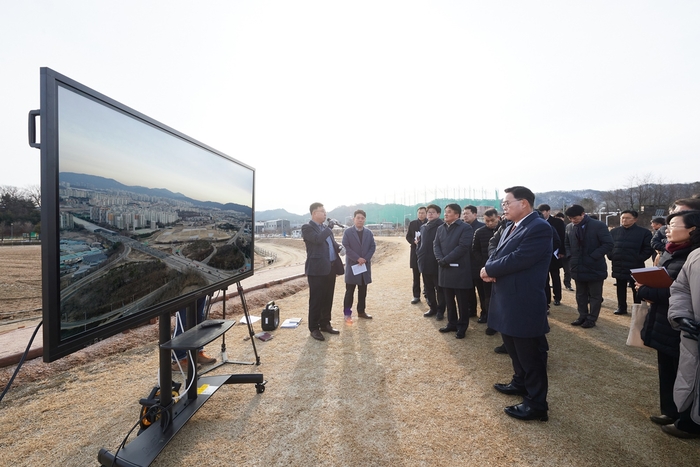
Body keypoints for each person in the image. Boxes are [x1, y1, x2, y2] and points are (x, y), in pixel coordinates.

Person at [481, 186, 552, 421]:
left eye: (507, 203)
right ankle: (520, 382)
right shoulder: (512, 225)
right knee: (513, 346)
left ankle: (536, 404)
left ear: (524, 203)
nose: (504, 207)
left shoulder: (539, 227)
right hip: (507, 296)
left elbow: (521, 257)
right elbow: (497, 251)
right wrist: (490, 267)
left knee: (529, 353)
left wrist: (490, 269)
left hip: (523, 299)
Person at [637, 210, 700, 433]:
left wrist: (646, 289)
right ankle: (670, 411)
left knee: (687, 372)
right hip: (666, 320)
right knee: (667, 369)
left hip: (684, 326)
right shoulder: (670, 251)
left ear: (692, 229)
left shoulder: (693, 256)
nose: (667, 230)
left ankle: (686, 419)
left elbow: (677, 292)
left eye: (673, 224)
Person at [667, 211, 700, 438]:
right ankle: (688, 420)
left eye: (673, 224)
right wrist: (681, 315)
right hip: (692, 331)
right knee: (691, 377)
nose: (667, 229)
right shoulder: (695, 256)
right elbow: (681, 289)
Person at [564, 204, 613, 328]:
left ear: (583, 214)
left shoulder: (598, 225)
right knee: (580, 294)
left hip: (594, 266)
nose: (573, 220)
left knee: (595, 295)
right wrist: (570, 256)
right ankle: (582, 316)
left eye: (575, 218)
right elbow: (567, 244)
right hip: (577, 266)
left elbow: (608, 244)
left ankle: (592, 319)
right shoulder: (569, 227)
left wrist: (593, 256)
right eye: (570, 218)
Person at [302, 202, 344, 341]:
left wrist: (339, 247)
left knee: (328, 298)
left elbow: (331, 244)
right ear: (314, 213)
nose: (325, 214)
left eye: (325, 211)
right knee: (316, 299)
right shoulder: (307, 228)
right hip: (316, 269)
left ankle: (325, 323)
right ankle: (314, 328)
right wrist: (330, 228)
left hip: (330, 268)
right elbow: (318, 240)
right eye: (322, 211)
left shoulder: (325, 228)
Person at [434, 203, 473, 339]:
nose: (446, 214)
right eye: (445, 212)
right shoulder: (440, 228)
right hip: (444, 269)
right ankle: (452, 323)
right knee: (448, 299)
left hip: (459, 270)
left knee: (462, 301)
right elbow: (436, 245)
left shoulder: (465, 228)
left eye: (449, 212)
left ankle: (462, 326)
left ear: (457, 215)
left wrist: (446, 260)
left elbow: (463, 247)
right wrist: (440, 259)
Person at [607, 210, 653, 315]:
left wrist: (639, 258)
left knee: (636, 288)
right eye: (622, 218)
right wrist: (611, 255)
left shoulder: (644, 232)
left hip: (636, 265)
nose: (624, 220)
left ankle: (637, 309)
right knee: (620, 287)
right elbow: (608, 245)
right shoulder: (614, 232)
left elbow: (648, 249)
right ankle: (621, 307)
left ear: (635, 219)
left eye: (627, 218)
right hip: (619, 264)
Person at [342, 209, 376, 322]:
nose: (360, 220)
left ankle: (361, 311)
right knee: (349, 291)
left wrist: (365, 258)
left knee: (363, 291)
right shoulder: (348, 232)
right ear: (354, 219)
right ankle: (347, 314)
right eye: (358, 218)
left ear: (364, 220)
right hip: (353, 266)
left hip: (364, 266)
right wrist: (357, 258)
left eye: (362, 218)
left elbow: (372, 247)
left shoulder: (369, 233)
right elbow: (346, 247)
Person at [472, 208, 499, 334]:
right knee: (485, 296)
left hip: (500, 269)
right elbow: (475, 249)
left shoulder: (504, 231)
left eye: (492, 220)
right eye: (487, 221)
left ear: (497, 218)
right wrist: (484, 263)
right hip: (485, 269)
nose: (489, 223)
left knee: (499, 297)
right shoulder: (479, 232)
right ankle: (488, 318)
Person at [171, 296, 217, 371]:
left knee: (199, 319)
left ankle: (197, 352)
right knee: (183, 323)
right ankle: (179, 359)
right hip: (183, 291)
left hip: (199, 287)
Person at [416, 204, 446, 320]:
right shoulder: (423, 227)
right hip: (424, 261)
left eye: (433, 212)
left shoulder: (442, 226)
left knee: (439, 288)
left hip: (436, 262)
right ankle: (432, 307)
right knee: (428, 288)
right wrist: (419, 252)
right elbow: (420, 243)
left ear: (438, 214)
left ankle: (440, 310)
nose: (430, 214)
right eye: (429, 212)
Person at [537, 204, 566, 307]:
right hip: (542, 256)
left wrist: (561, 251)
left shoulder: (557, 222)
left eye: (543, 212)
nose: (542, 214)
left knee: (555, 276)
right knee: (545, 279)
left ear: (548, 211)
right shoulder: (537, 223)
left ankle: (557, 297)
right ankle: (546, 300)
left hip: (554, 254)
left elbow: (562, 237)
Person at [463, 205, 485, 318]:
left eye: (467, 213)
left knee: (482, 291)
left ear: (475, 214)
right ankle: (471, 311)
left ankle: (484, 313)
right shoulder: (461, 227)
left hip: (478, 265)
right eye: (464, 213)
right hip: (466, 266)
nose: (465, 215)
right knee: (469, 291)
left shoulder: (482, 227)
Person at [406, 207, 427, 304]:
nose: (421, 215)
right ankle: (416, 296)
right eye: (419, 213)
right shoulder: (413, 223)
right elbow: (408, 236)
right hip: (415, 251)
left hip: (427, 252)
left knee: (427, 276)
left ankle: (427, 294)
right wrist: (413, 241)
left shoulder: (429, 223)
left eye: (423, 213)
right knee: (416, 275)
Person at [555, 211, 574, 291]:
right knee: (555, 271)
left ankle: (567, 283)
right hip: (555, 253)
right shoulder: (553, 227)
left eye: (560, 218)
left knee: (568, 270)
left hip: (565, 253)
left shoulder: (568, 227)